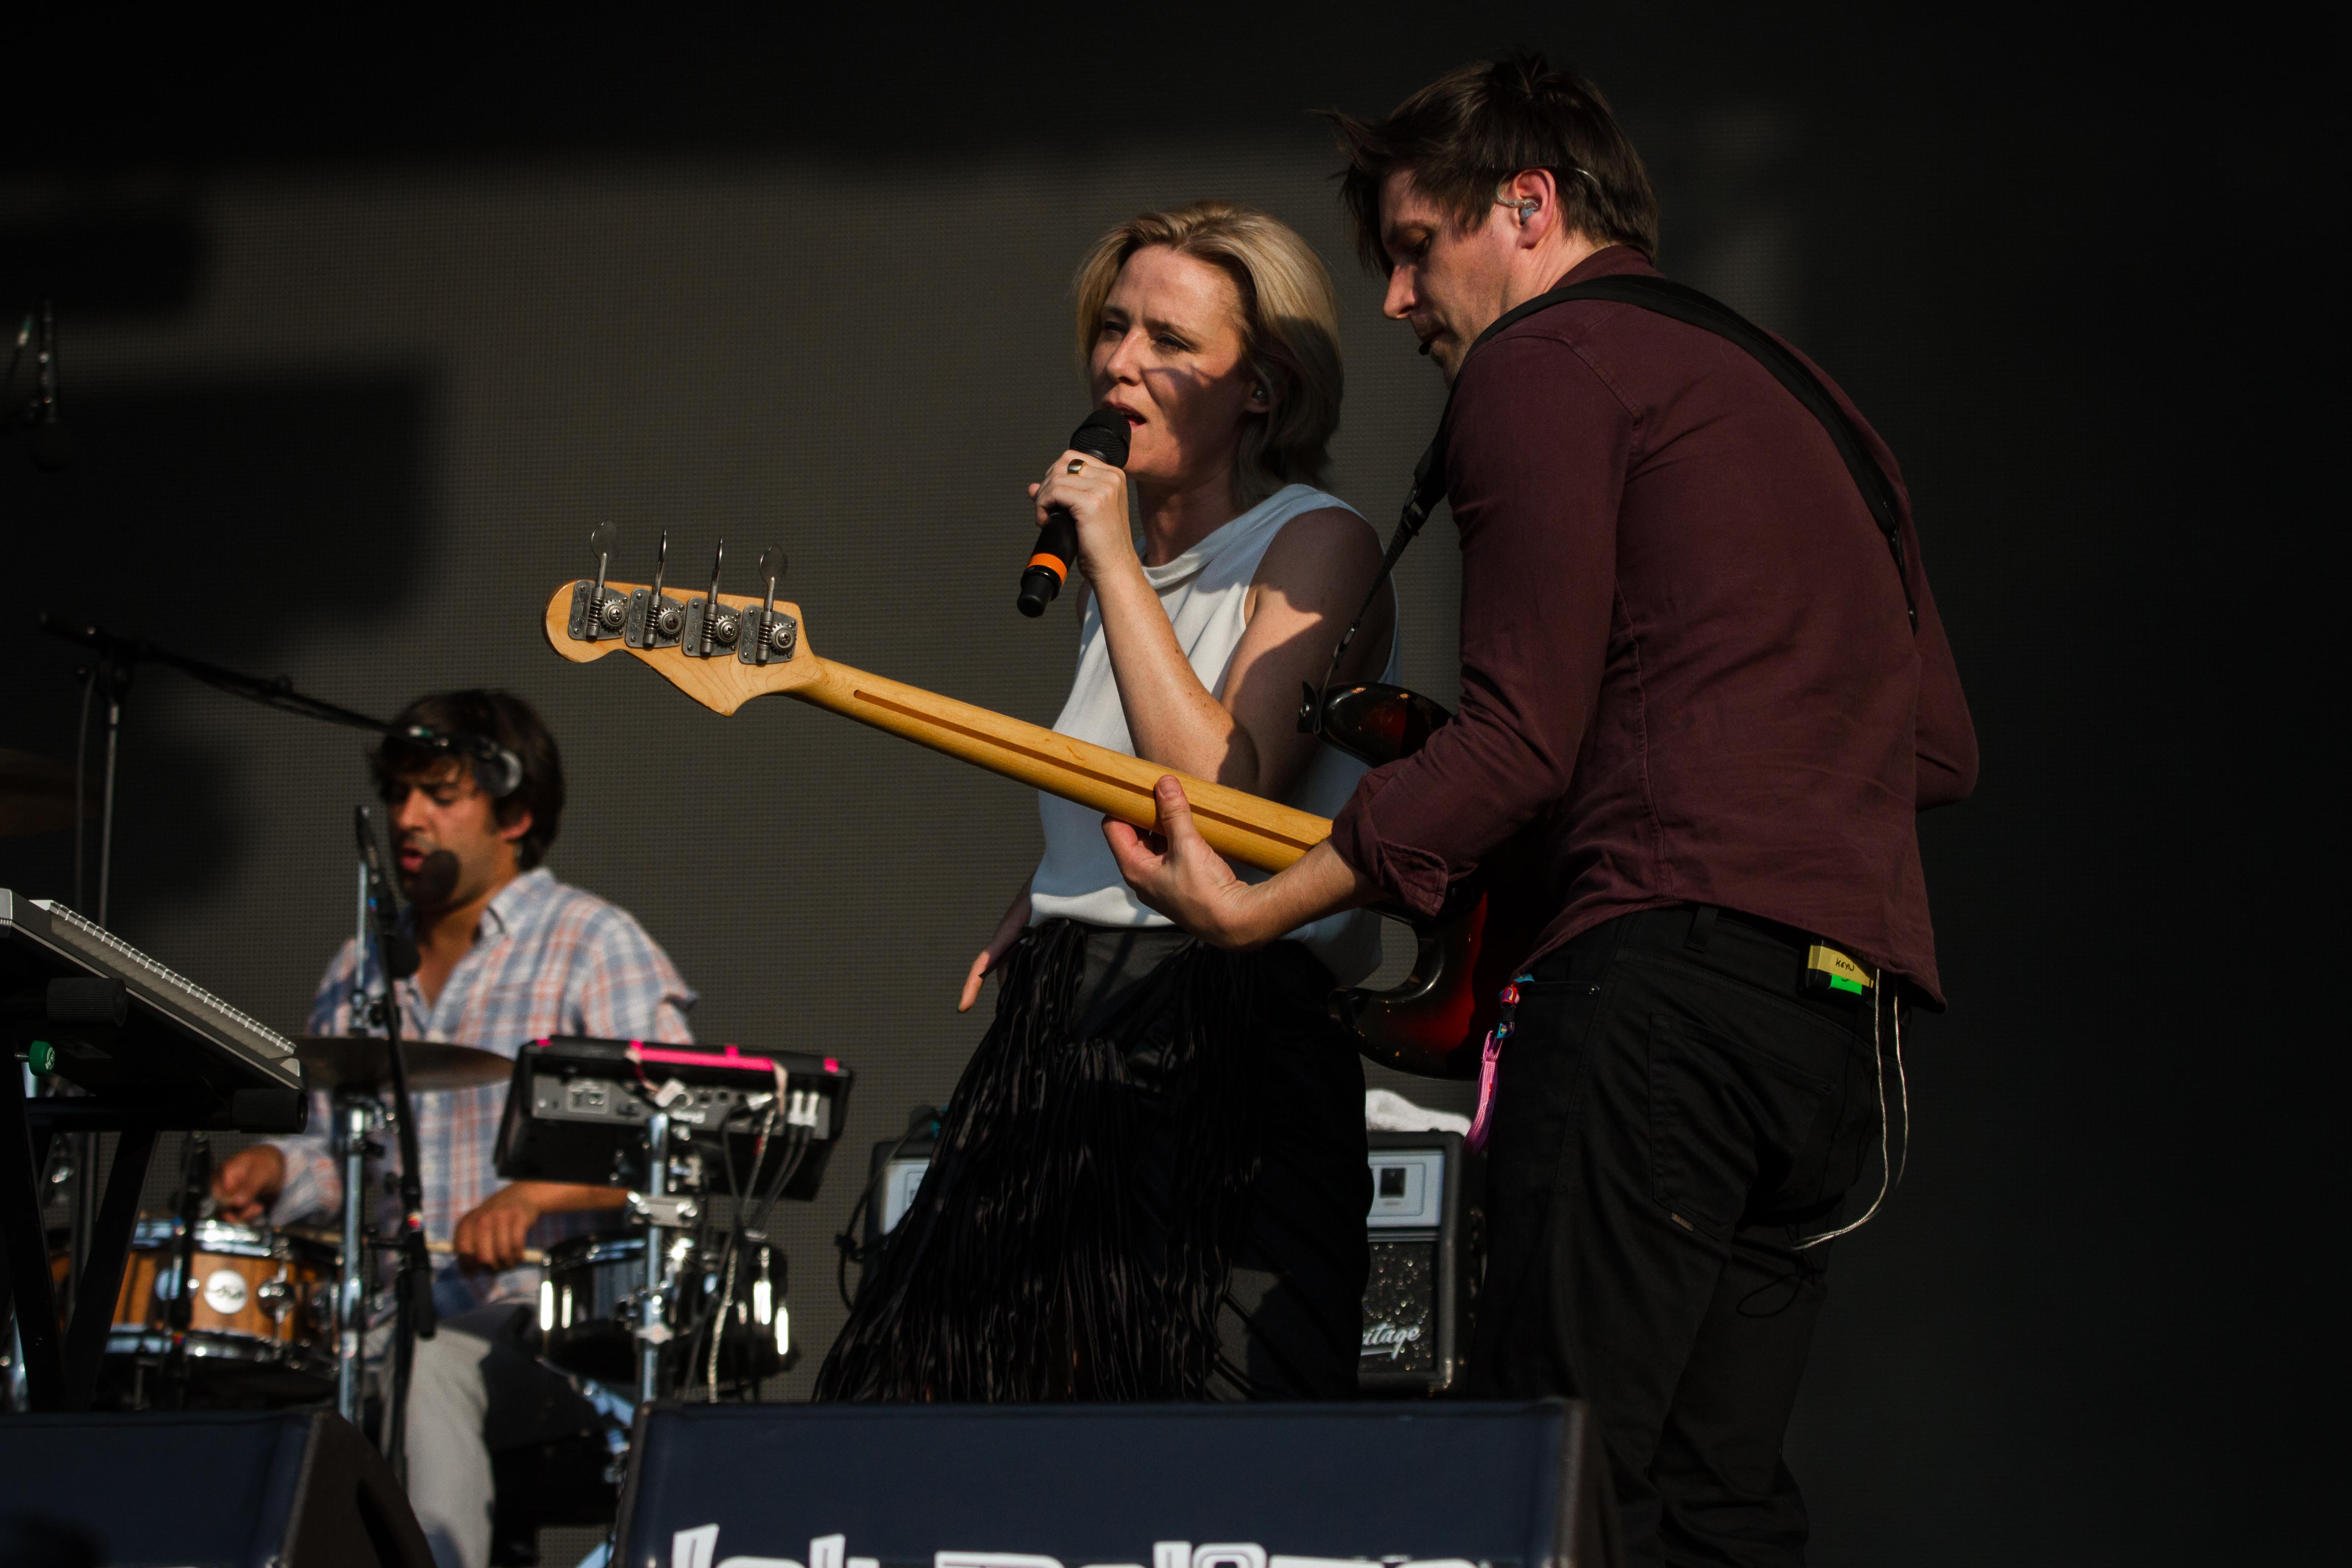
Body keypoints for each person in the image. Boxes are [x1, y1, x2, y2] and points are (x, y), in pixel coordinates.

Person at [1108, 55, 1978, 1568]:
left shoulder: (1547, 361)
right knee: (1715, 1508)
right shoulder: (1816, 401)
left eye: (1411, 244)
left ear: (1528, 206)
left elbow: (1516, 740)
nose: (1392, 299)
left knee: (1549, 1486)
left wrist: (1259, 900)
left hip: (1655, 1004)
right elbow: (1940, 751)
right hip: (1840, 1035)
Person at [815, 201, 1396, 1403]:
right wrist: (1054, 884)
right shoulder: (1111, 566)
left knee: (1208, 1421)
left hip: (1231, 1028)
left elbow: (1224, 792)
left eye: (1171, 341)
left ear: (1263, 388)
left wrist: (1116, 556)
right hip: (1070, 1021)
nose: (1124, 362)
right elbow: (1118, 786)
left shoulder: (1316, 544)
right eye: (1115, 328)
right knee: (942, 1391)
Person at [212, 690, 696, 1568]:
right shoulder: (361, 968)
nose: (409, 817)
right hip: (388, 1321)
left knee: (426, 1369)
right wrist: (276, 1174)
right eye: (401, 795)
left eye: (441, 795)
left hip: (556, 1338)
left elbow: (677, 1137)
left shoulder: (591, 941)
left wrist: (534, 1197)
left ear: (516, 812)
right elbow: (340, 1156)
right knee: (245, 1379)